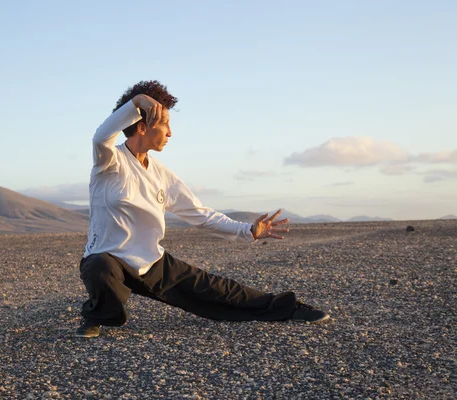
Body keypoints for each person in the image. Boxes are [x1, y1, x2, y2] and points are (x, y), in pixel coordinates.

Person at [76, 80, 329, 338]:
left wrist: (248, 230)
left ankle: (288, 308)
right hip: (107, 260)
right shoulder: (109, 162)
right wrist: (137, 101)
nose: (170, 133)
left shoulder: (162, 175)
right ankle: (98, 316)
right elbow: (101, 136)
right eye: (165, 124)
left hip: (151, 262)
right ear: (142, 127)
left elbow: (200, 214)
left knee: (221, 291)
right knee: (99, 267)